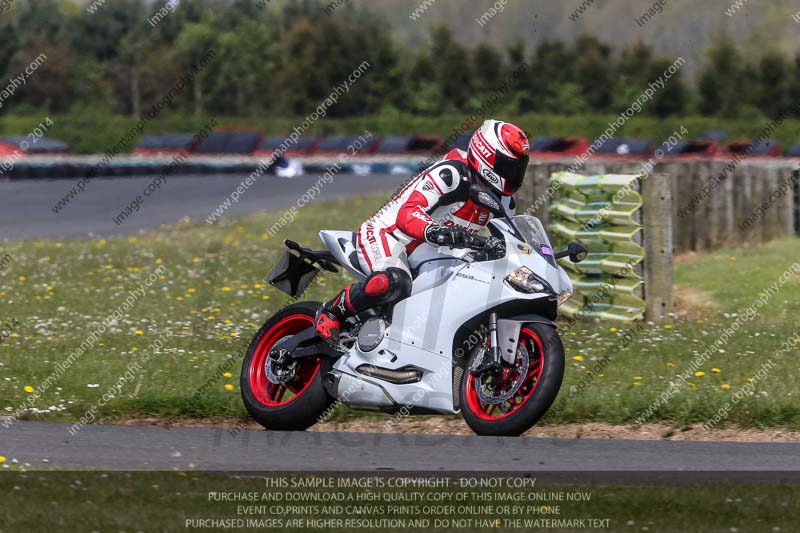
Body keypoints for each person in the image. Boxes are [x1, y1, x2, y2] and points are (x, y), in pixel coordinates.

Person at [314, 119, 530, 344]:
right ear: (486, 155)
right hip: (390, 235)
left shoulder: (504, 200)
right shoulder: (452, 173)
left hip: (430, 250)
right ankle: (332, 311)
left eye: (518, 168)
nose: (514, 174)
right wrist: (434, 230)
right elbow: (407, 213)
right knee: (395, 281)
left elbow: (515, 240)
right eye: (509, 166)